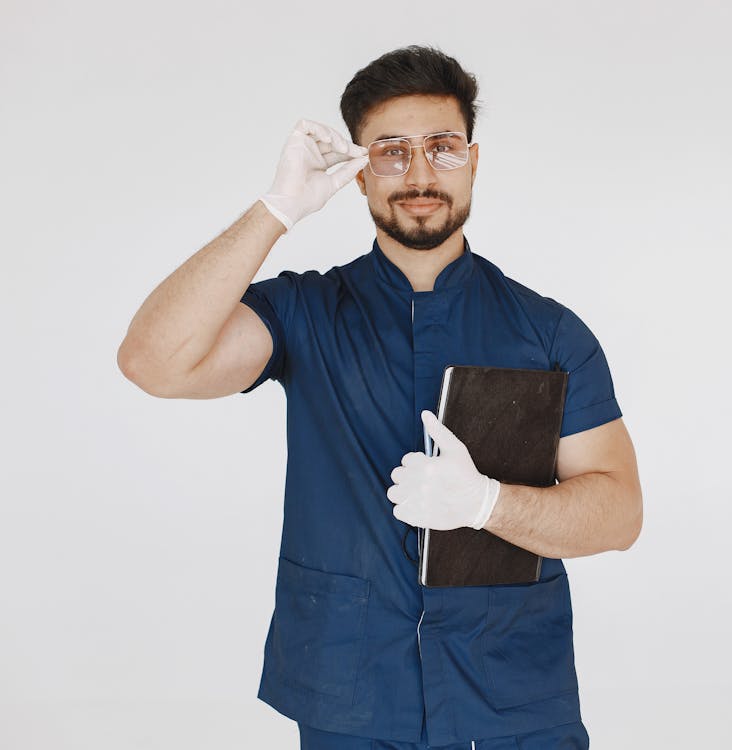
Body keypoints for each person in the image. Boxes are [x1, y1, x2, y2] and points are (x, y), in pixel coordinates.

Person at [116, 45, 643, 749]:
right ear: (359, 171)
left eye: (442, 148)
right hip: (353, 696)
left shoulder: (547, 332)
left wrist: (488, 503)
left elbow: (617, 515)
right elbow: (153, 363)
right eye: (390, 151)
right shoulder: (302, 314)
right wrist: (276, 209)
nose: (419, 173)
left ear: (473, 162)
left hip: (512, 699)